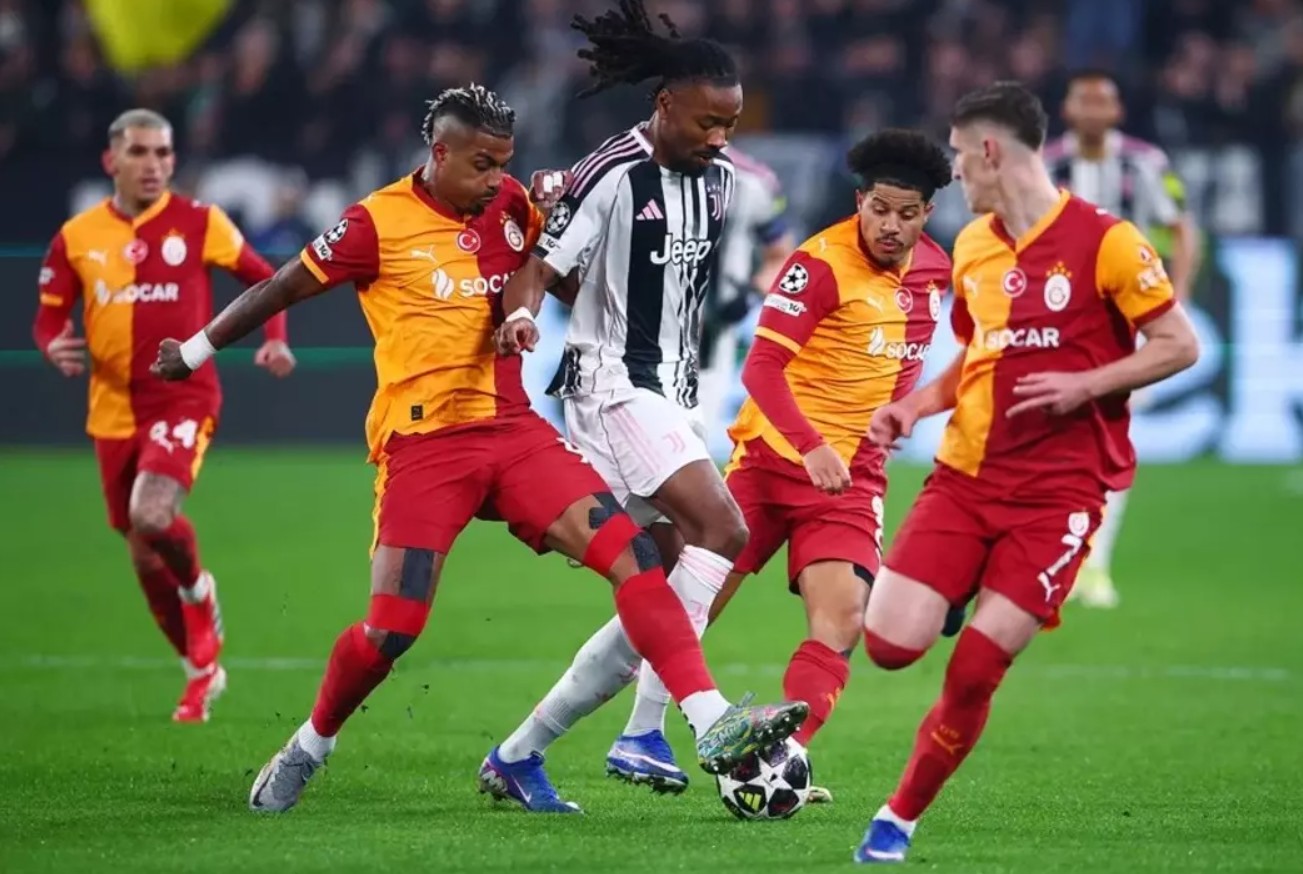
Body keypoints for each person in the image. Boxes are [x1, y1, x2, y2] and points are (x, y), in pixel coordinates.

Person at [150, 84, 807, 815]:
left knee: (638, 557)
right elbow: (280, 287)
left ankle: (707, 720)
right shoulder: (375, 222)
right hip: (424, 445)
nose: (498, 180)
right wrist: (197, 349)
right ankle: (311, 743)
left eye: (505, 163)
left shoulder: (513, 207)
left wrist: (548, 256)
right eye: (483, 164)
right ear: (440, 153)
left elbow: (560, 282)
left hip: (513, 432)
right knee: (392, 629)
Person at [853, 81, 1200, 864]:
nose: (951, 171)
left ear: (988, 151)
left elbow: (1179, 344)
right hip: (964, 479)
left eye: (956, 153)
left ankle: (897, 819)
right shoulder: (974, 245)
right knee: (888, 646)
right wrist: (914, 406)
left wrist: (1087, 384)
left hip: (1058, 495)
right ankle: (962, 587)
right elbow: (977, 358)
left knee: (975, 671)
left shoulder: (1108, 241)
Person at [606, 129, 956, 804]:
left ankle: (781, 761)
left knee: (842, 619)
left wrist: (905, 415)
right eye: (879, 209)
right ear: (859, 202)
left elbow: (928, 363)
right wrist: (811, 444)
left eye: (906, 213)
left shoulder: (935, 270)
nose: (890, 225)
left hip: (851, 477)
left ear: (927, 214)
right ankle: (641, 732)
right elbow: (761, 368)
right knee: (688, 608)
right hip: (770, 464)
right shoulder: (817, 264)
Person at [485, 0, 766, 808]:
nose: (720, 137)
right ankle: (654, 730)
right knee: (725, 531)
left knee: (665, 587)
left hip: (670, 391)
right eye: (707, 122)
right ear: (664, 104)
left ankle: (518, 753)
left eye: (731, 123)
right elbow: (541, 267)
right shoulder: (611, 171)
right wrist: (520, 315)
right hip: (611, 385)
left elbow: (631, 280)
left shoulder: (720, 183)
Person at [32, 108, 294, 723]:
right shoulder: (77, 236)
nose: (154, 165)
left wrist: (274, 338)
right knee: (142, 550)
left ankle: (199, 591)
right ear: (111, 161)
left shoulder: (200, 222)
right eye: (140, 152)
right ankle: (201, 672)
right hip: (111, 410)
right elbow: (48, 315)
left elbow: (268, 279)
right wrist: (52, 343)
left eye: (163, 153)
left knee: (150, 515)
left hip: (183, 397)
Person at [1044, 68, 1202, 608]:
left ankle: (1093, 564)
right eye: (1083, 100)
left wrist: (1175, 299)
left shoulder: (1145, 162)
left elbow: (1182, 229)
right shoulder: (1046, 165)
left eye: (1102, 102)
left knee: (1109, 436)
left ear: (1116, 111)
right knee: (1054, 440)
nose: (1092, 110)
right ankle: (1059, 554)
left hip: (1126, 321)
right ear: (1068, 110)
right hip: (1059, 322)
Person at [696, 145, 795, 452]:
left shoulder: (752, 182)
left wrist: (749, 292)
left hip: (714, 333)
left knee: (693, 439)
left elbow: (781, 254)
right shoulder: (637, 168)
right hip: (644, 330)